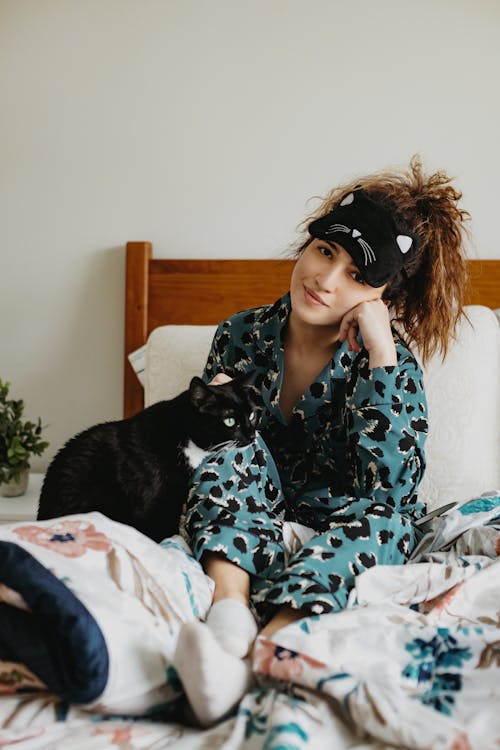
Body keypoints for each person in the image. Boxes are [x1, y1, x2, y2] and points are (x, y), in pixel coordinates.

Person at [172, 155, 470, 726]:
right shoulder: (240, 333)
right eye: (325, 252)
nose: (326, 280)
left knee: (387, 519)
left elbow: (394, 488)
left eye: (357, 276)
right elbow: (208, 440)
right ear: (307, 246)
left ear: (383, 295)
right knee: (221, 451)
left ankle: (269, 649)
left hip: (345, 521)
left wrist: (381, 352)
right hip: (254, 508)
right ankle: (229, 616)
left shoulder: (392, 364)